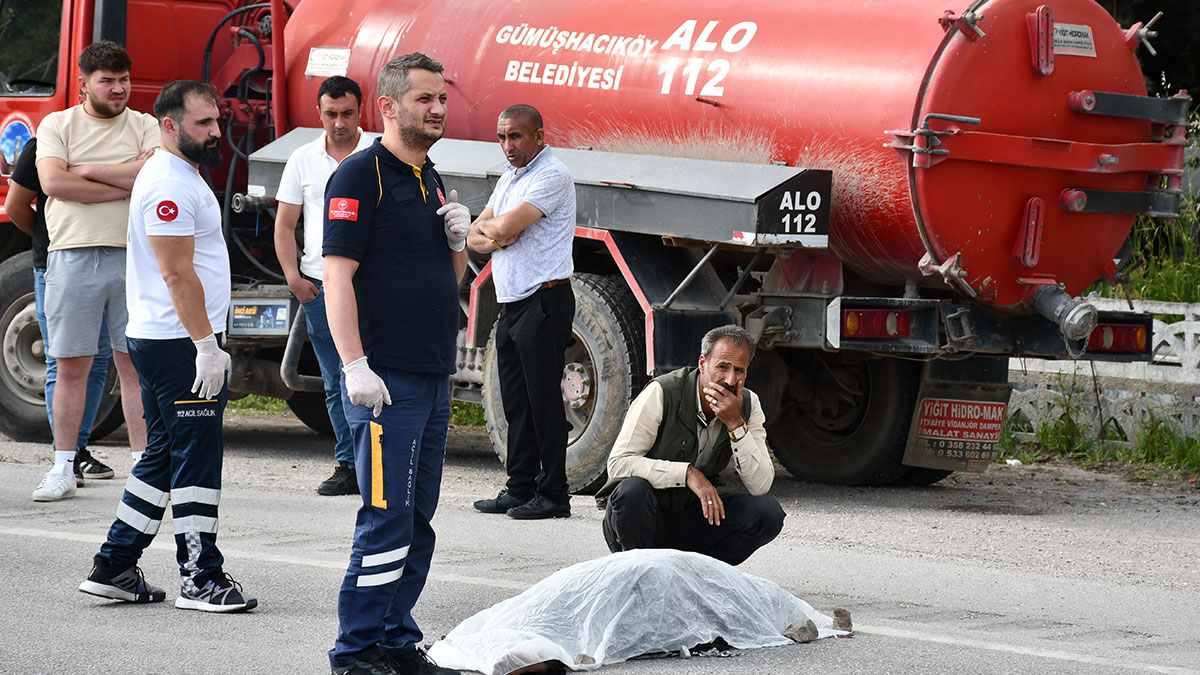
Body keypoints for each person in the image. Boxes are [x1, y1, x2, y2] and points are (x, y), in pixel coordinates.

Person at [78, 80, 256, 613]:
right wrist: (206, 344)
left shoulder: (175, 172)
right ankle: (200, 577)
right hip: (179, 341)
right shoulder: (169, 184)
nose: (216, 132)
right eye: (203, 123)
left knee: (163, 453)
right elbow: (177, 274)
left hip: (169, 338)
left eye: (217, 121)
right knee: (197, 456)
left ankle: (114, 566)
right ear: (171, 126)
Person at [322, 52, 467, 675]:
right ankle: (354, 653)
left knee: (418, 519)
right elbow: (336, 276)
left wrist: (460, 245)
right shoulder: (361, 176)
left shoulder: (431, 177)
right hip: (386, 381)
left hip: (433, 376)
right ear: (389, 105)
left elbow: (445, 280)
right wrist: (354, 365)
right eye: (424, 99)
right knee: (386, 518)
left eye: (442, 98)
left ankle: (396, 640)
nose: (437, 108)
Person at [31, 40, 153, 501]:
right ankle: (63, 465)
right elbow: (52, 183)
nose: (119, 88)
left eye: (124, 79)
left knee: (134, 365)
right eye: (108, 81)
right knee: (71, 366)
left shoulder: (144, 125)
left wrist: (86, 173)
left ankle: (144, 466)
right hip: (72, 255)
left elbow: (151, 176)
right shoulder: (57, 123)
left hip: (134, 256)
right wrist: (121, 183)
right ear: (84, 84)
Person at [427, 549, 850, 675]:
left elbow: (749, 595)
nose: (731, 378)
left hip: (667, 570)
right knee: (581, 606)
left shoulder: (749, 595)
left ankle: (535, 648)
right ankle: (533, 647)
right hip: (640, 567)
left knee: (618, 601)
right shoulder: (662, 396)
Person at [596, 325, 785, 566]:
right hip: (646, 519)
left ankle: (700, 575)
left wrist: (736, 424)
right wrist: (687, 474)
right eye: (723, 367)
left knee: (767, 513)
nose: (730, 379)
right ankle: (639, 571)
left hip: (694, 518)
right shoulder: (662, 392)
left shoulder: (748, 404)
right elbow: (618, 465)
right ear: (703, 364)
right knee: (632, 491)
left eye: (739, 370)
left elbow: (760, 485)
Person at [467, 104, 576, 520]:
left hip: (544, 299)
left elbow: (500, 227)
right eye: (501, 137)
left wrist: (495, 230)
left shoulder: (551, 174)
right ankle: (520, 487)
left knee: (543, 402)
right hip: (513, 301)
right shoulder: (511, 178)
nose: (507, 146)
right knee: (516, 401)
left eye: (516, 137)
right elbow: (475, 236)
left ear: (539, 136)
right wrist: (495, 234)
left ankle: (554, 495)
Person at [274, 75, 373, 496]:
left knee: (381, 374)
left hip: (372, 283)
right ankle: (348, 465)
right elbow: (284, 224)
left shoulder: (379, 152)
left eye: (347, 113)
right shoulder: (302, 158)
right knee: (336, 379)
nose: (339, 123)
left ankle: (379, 464)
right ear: (319, 113)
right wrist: (293, 277)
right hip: (321, 284)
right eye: (330, 114)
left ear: (361, 111)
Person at [4, 136, 117, 485]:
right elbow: (15, 206)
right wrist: (45, 236)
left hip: (102, 261)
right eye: (107, 78)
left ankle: (76, 451)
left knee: (97, 360)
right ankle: (65, 456)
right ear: (83, 85)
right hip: (54, 264)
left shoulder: (117, 144)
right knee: (62, 360)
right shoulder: (47, 143)